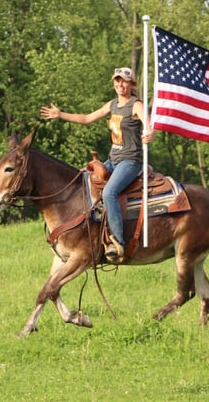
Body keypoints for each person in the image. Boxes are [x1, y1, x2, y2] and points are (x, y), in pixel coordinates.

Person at [40, 66, 155, 263]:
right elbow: (86, 119)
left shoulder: (136, 105)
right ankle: (87, 231)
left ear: (131, 84)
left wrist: (150, 133)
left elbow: (149, 123)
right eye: (117, 81)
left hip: (130, 161)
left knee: (110, 193)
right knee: (82, 178)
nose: (120, 84)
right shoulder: (112, 105)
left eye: (125, 81)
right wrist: (60, 115)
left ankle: (118, 242)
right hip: (113, 160)